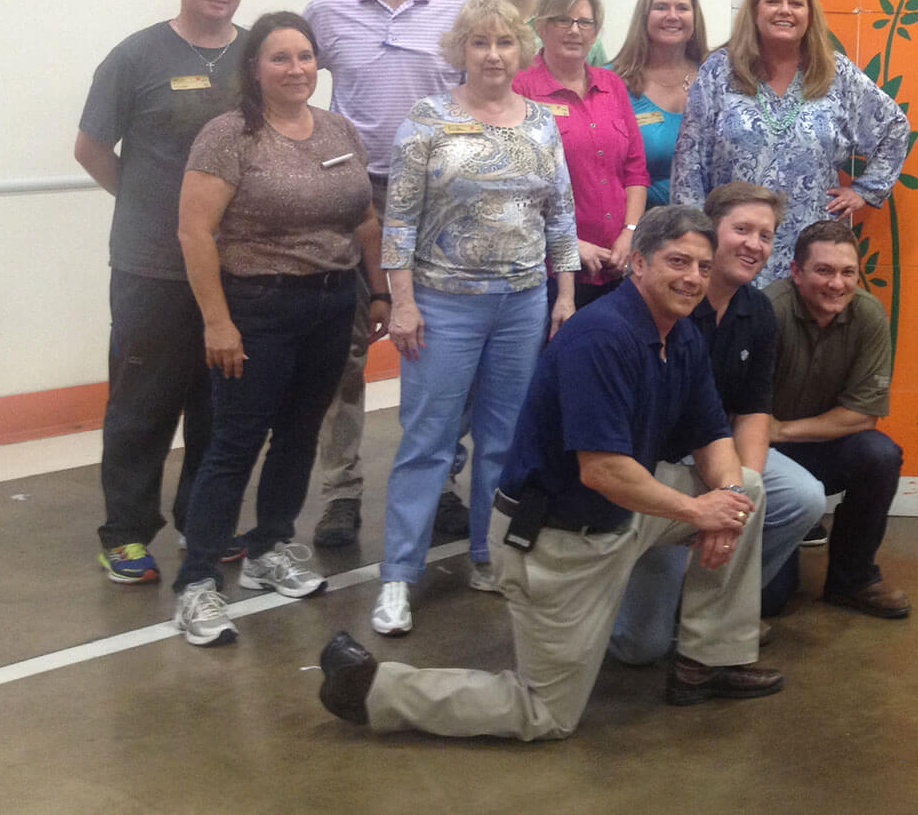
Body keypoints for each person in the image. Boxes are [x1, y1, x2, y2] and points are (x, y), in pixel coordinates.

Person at [315, 206, 783, 740]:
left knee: (745, 488)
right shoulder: (601, 336)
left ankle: (708, 661)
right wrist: (699, 510)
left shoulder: (680, 335)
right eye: (678, 262)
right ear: (637, 263)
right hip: (559, 540)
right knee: (545, 714)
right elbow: (603, 471)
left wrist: (723, 500)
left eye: (703, 266)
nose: (693, 278)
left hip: (624, 514)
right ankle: (375, 689)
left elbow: (711, 435)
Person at [171, 13, 386, 645]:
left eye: (305, 57)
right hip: (256, 308)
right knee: (235, 443)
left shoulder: (338, 128)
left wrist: (375, 289)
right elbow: (194, 232)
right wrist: (217, 321)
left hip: (329, 305)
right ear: (254, 69)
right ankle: (198, 582)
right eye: (280, 58)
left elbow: (365, 220)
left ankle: (270, 548)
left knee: (298, 435)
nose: (296, 69)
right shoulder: (228, 136)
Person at [372, 0, 581, 636]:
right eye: (480, 44)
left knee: (504, 439)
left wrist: (565, 294)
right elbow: (398, 220)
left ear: (522, 51)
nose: (493, 55)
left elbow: (561, 215)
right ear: (460, 50)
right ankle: (398, 579)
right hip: (442, 306)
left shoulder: (543, 122)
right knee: (428, 441)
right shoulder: (427, 120)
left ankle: (491, 557)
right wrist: (402, 303)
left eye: (505, 43)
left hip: (522, 302)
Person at [75, 0, 246, 584]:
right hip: (151, 267)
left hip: (236, 267)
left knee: (220, 405)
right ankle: (124, 535)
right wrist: (158, 211)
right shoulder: (136, 57)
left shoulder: (254, 53)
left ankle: (206, 521)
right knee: (143, 404)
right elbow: (91, 148)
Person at [305, 0, 470, 549]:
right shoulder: (326, 10)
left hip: (435, 199)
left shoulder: (456, 10)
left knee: (437, 347)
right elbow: (288, 85)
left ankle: (441, 487)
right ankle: (341, 493)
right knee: (342, 352)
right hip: (352, 199)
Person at [607, 183, 829, 662]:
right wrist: (705, 507)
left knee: (798, 495)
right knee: (639, 649)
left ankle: (713, 605)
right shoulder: (674, 300)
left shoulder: (758, 311)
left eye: (765, 235)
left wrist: (740, 498)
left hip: (715, 450)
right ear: (711, 233)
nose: (754, 244)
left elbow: (753, 410)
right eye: (742, 230)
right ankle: (636, 597)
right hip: (656, 460)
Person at [670, 0, 910, 286]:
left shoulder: (836, 74)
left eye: (796, 3)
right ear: (755, 11)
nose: (785, 10)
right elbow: (689, 161)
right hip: (731, 257)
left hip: (812, 261)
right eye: (773, 1)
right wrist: (694, 240)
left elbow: (894, 128)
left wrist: (866, 191)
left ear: (810, 15)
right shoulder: (718, 71)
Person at [763, 220, 910, 618]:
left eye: (848, 272)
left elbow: (862, 416)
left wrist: (783, 429)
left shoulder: (868, 314)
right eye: (824, 270)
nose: (837, 284)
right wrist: (772, 435)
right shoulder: (768, 312)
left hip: (807, 443)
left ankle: (853, 580)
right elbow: (745, 415)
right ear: (796, 272)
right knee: (771, 601)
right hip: (765, 456)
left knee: (879, 456)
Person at [514, 0, 648, 308]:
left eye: (585, 22)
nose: (574, 30)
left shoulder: (613, 85)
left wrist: (629, 233)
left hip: (617, 266)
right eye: (562, 19)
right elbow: (514, 188)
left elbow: (635, 170)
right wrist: (567, 244)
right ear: (541, 26)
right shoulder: (521, 90)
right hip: (549, 272)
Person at [610, 0, 709, 207]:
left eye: (682, 8)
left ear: (695, 19)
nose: (672, 16)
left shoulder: (714, 79)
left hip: (705, 230)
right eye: (661, 7)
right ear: (644, 17)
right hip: (637, 228)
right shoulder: (611, 83)